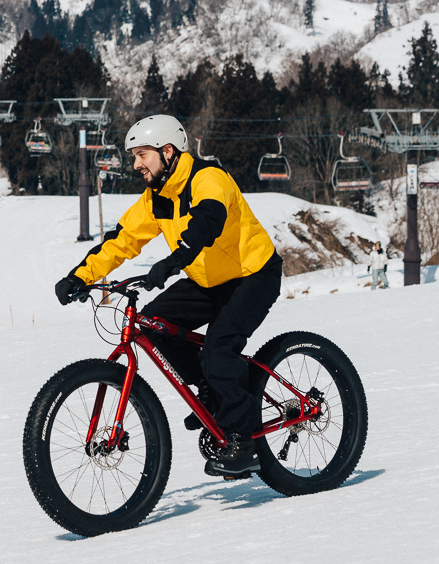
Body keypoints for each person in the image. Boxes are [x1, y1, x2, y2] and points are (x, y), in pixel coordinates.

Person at [55, 114, 283, 478]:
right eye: (133, 156)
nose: (136, 164)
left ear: (167, 151)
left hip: (252, 274)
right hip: (207, 278)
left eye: (142, 154)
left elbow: (207, 222)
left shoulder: (208, 178)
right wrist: (79, 277)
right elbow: (122, 240)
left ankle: (243, 439)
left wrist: (173, 261)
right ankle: (213, 390)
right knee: (156, 326)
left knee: (218, 350)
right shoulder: (156, 199)